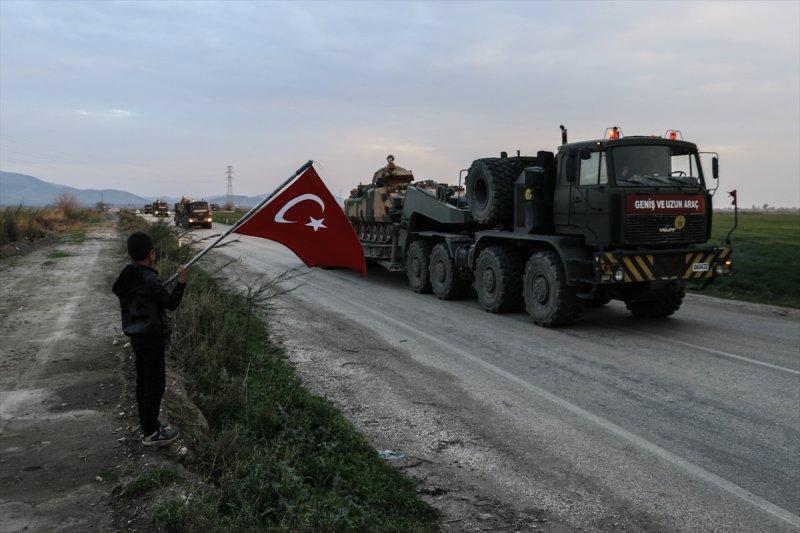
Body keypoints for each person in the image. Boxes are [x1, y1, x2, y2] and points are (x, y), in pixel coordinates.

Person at [112, 231, 188, 446]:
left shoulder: (128, 275)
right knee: (155, 384)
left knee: (143, 381)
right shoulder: (150, 280)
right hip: (152, 337)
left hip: (136, 336)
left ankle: (147, 423)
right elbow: (171, 304)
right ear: (151, 253)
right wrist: (181, 282)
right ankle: (151, 433)